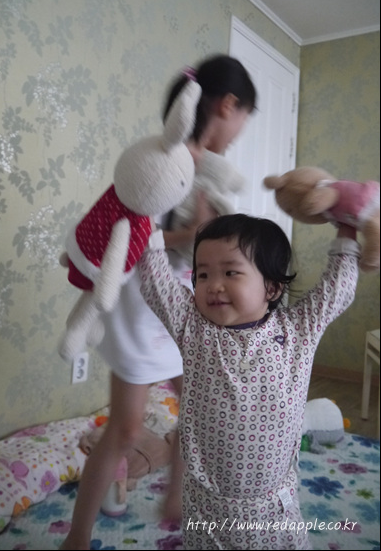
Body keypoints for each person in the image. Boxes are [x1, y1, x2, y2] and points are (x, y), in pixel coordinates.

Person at [60, 54, 257, 550]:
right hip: (139, 306)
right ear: (227, 105)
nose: (239, 133)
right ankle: (77, 535)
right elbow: (134, 229)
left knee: (199, 406)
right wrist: (192, 234)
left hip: (179, 305)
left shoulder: (210, 170)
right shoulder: (165, 159)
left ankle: (175, 497)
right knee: (125, 429)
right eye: (243, 119)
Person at [138, 213, 360, 550]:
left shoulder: (297, 331)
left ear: (271, 287)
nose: (214, 285)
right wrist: (144, 221)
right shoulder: (193, 328)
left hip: (273, 508)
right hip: (207, 508)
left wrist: (347, 228)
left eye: (230, 272)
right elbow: (157, 284)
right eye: (202, 274)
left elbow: (336, 292)